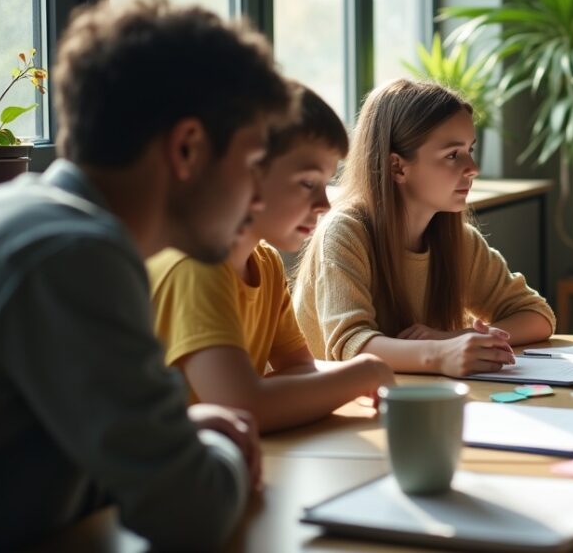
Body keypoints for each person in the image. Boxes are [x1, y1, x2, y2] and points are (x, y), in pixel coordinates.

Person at [0, 0, 292, 549]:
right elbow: (189, 513)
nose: (257, 196)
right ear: (187, 149)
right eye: (253, 164)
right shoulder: (72, 256)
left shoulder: (36, 222)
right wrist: (221, 451)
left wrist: (179, 437)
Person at [149, 83, 395, 432]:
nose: (324, 205)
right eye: (308, 183)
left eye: (326, 184)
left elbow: (300, 369)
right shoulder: (195, 266)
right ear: (249, 173)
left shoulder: (265, 262)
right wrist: (365, 372)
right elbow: (244, 406)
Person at [294, 80, 554, 375]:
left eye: (470, 149)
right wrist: (441, 353)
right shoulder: (344, 233)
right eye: (453, 155)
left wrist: (456, 337)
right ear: (397, 167)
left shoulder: (459, 240)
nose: (473, 168)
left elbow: (537, 314)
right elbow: (350, 344)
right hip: (341, 412)